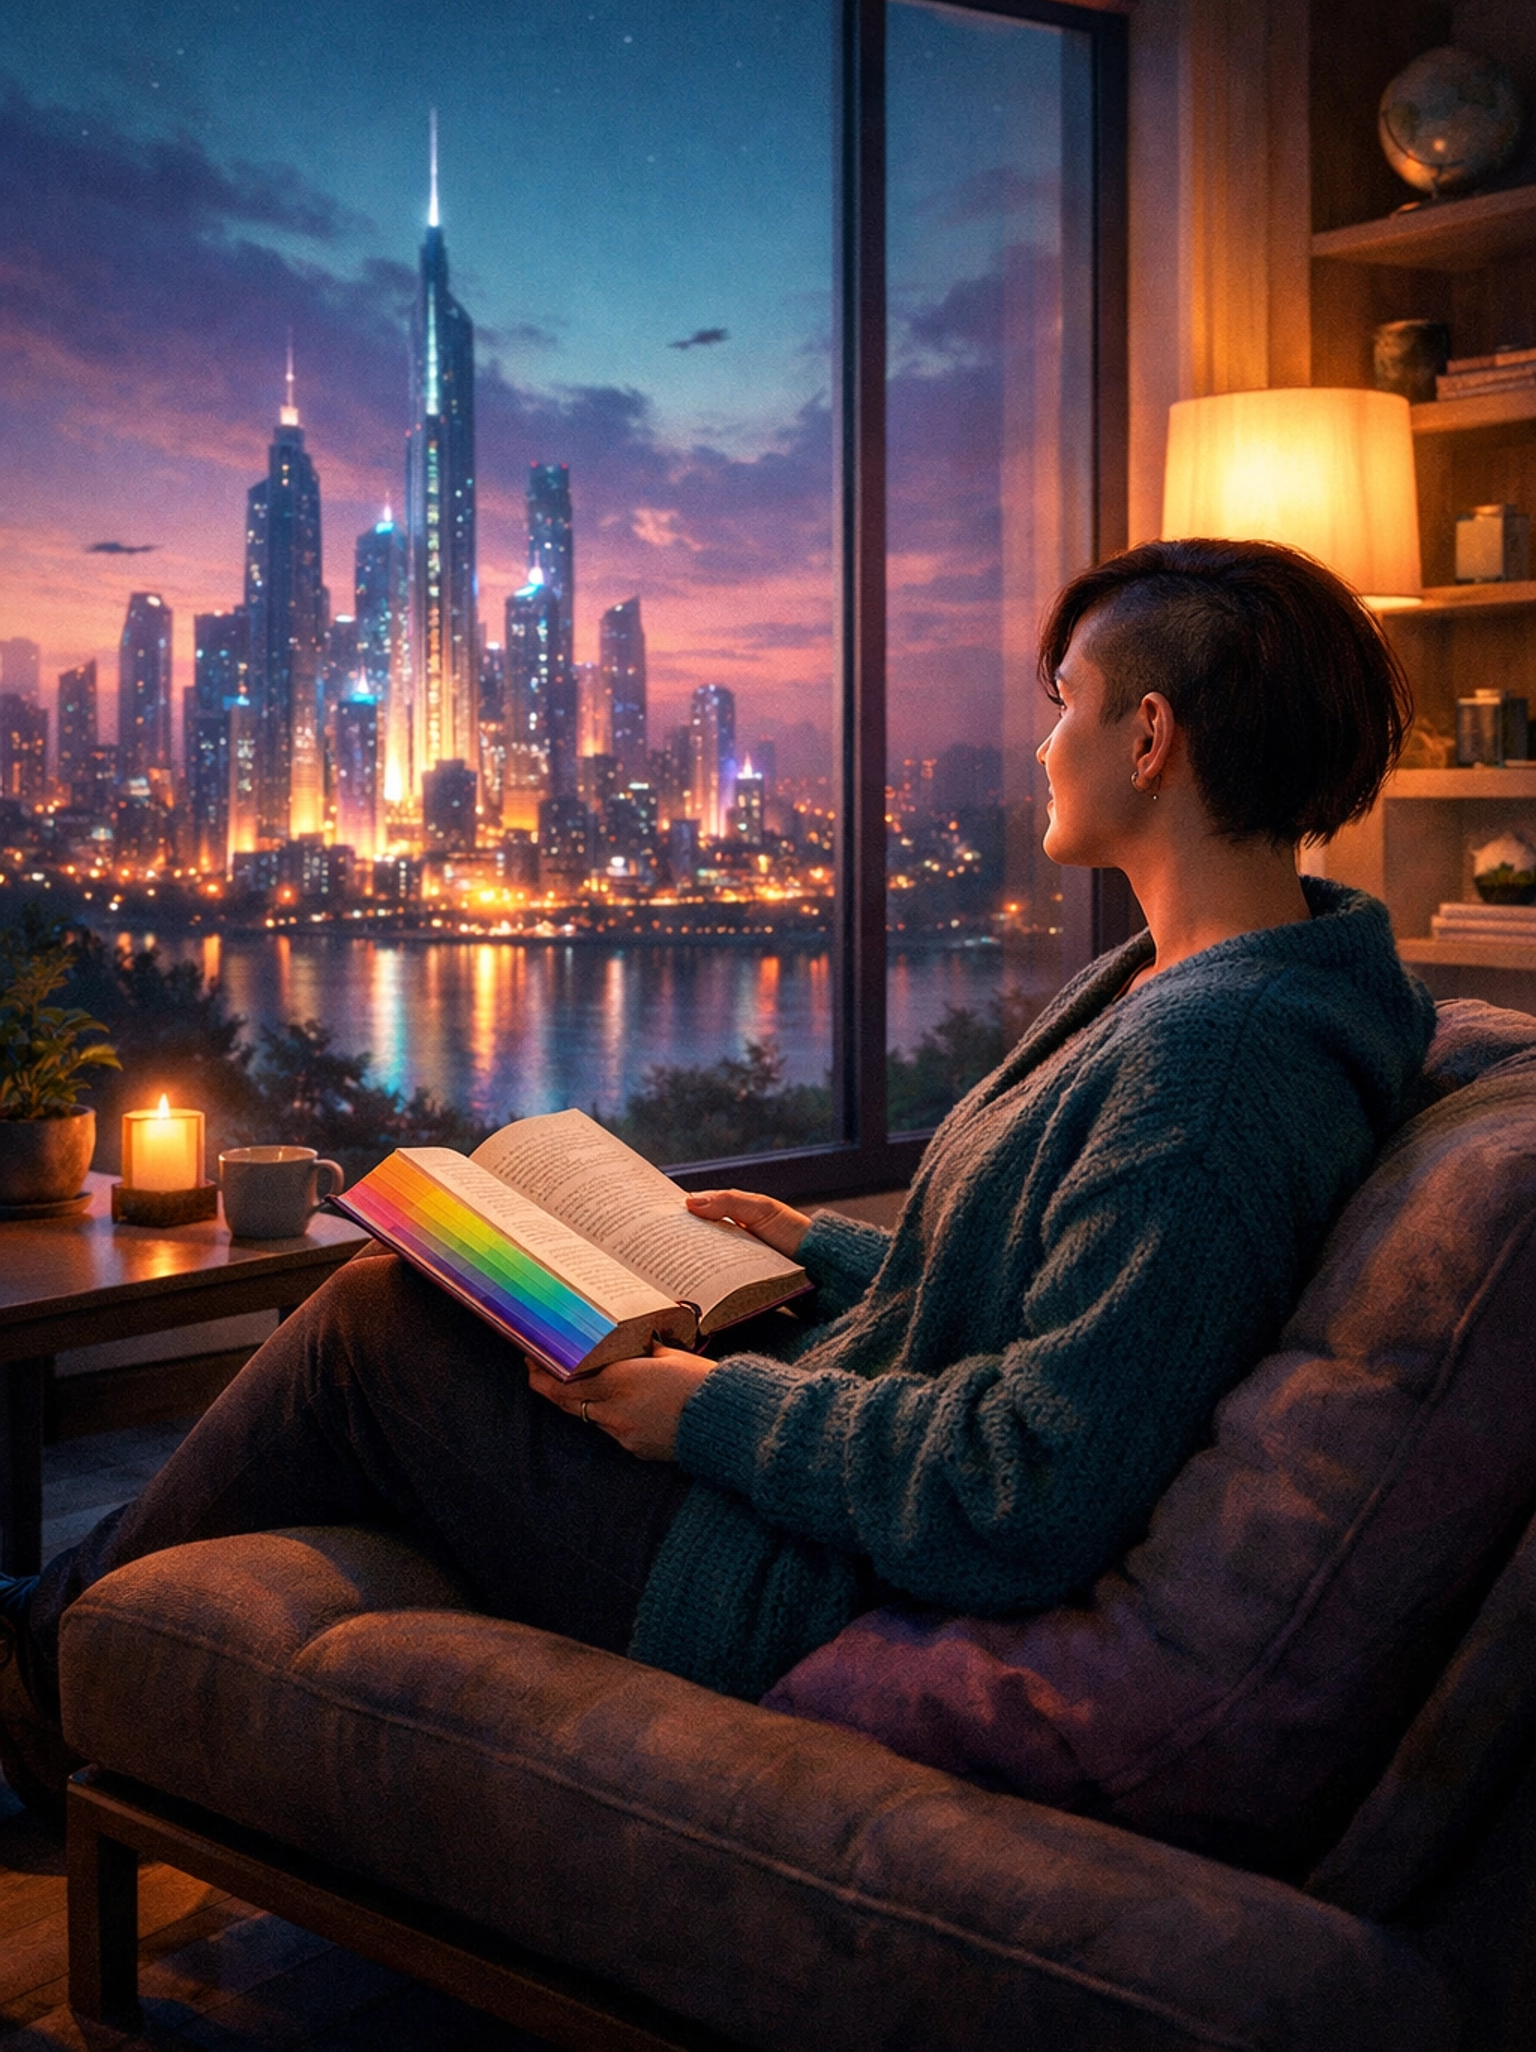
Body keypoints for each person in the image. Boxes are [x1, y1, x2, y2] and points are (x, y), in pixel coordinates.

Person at [0, 536, 1436, 1810]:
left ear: (1150, 738)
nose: (1042, 745)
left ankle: (29, 1687)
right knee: (453, 1293)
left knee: (373, 1323)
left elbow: (1029, 1482)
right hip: (818, 1459)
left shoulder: (1217, 1067)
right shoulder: (1196, 984)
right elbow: (1037, 1299)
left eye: (1064, 702)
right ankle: (66, 1633)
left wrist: (705, 1413)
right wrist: (816, 1251)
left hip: (789, 1584)